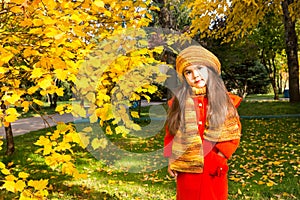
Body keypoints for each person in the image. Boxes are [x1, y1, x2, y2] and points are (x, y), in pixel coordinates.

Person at [164, 45, 242, 200]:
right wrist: (171, 159)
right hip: (187, 167)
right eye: (188, 72)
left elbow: (234, 132)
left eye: (200, 68)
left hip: (213, 167)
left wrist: (219, 156)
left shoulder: (224, 101)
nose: (195, 75)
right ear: (184, 77)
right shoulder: (179, 103)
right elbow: (171, 131)